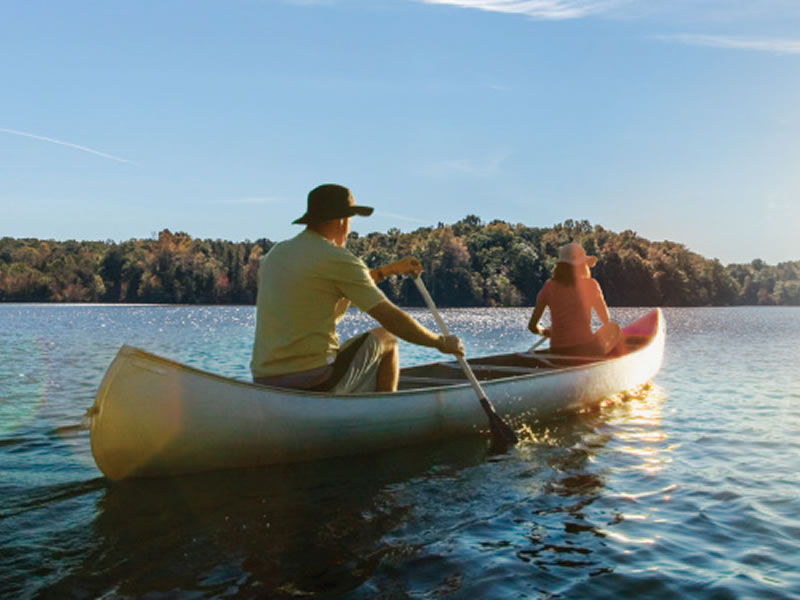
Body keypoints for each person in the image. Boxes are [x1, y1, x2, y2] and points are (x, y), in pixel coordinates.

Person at [250, 183, 464, 393]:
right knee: (387, 338)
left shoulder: (274, 255)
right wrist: (439, 342)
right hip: (314, 380)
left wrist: (389, 270)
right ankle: (385, 411)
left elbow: (338, 285)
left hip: (264, 380)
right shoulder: (336, 257)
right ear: (343, 220)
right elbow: (389, 317)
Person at [527, 242, 621, 356]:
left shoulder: (548, 286)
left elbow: (532, 326)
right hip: (585, 349)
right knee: (613, 328)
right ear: (582, 265)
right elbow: (605, 319)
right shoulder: (591, 285)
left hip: (557, 351)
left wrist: (545, 331)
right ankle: (607, 362)